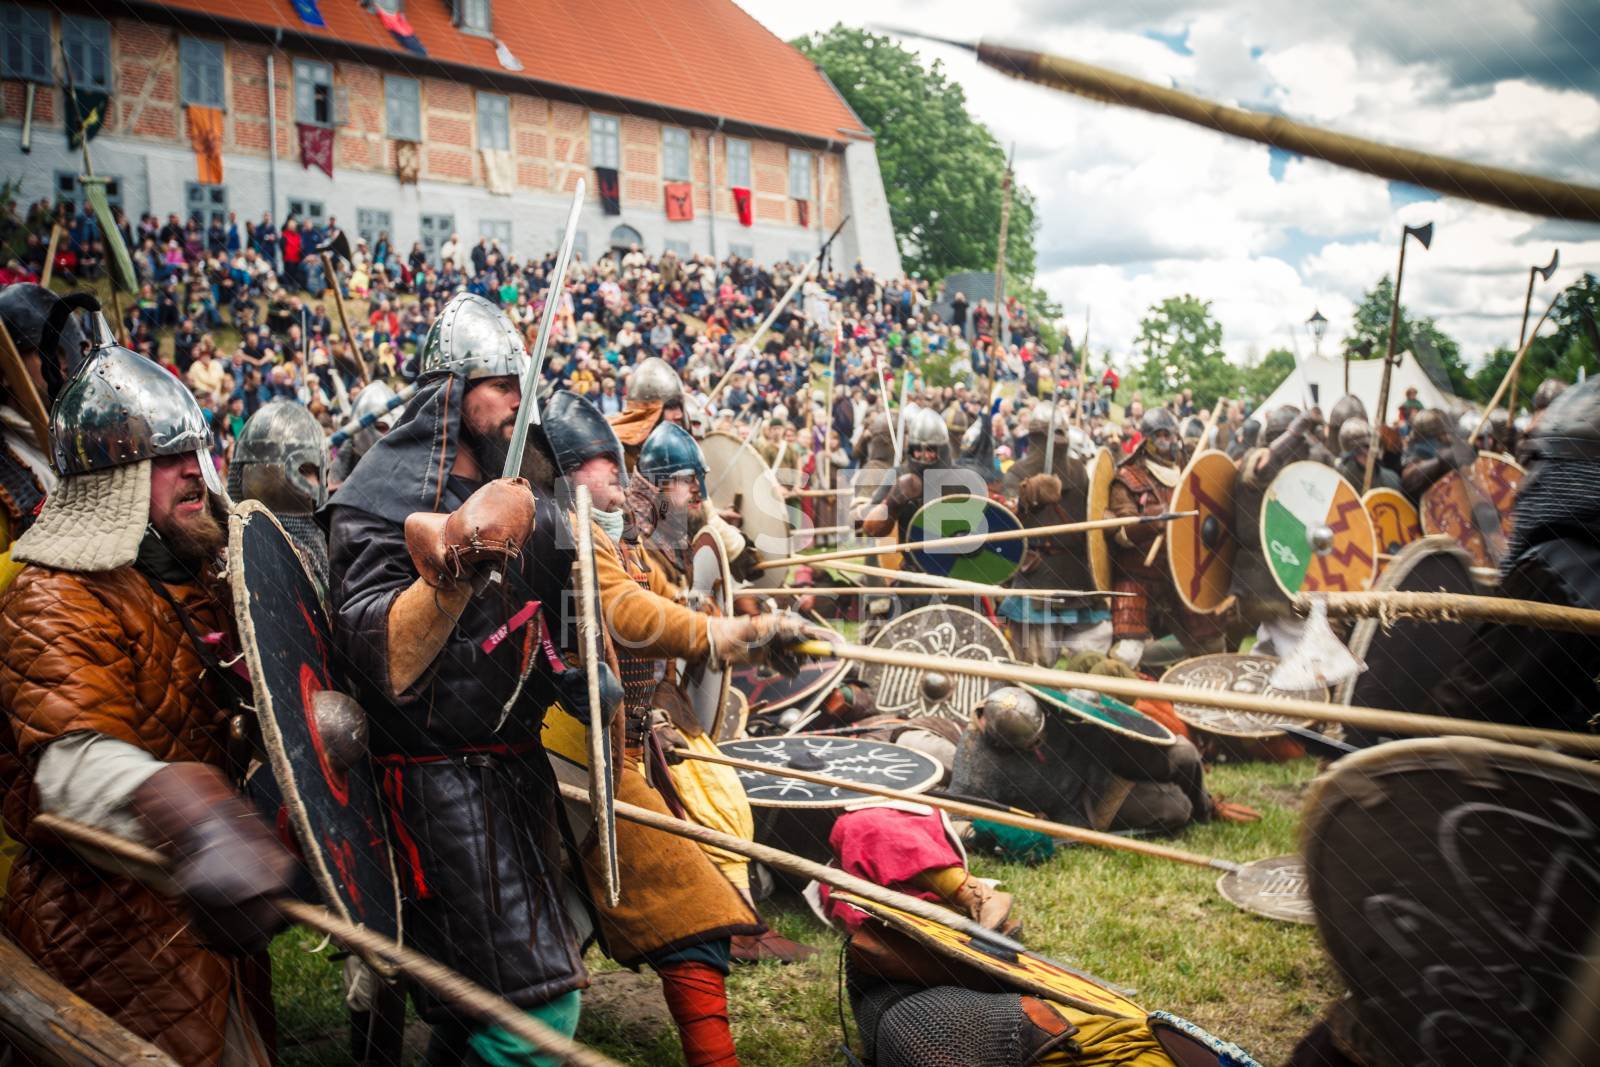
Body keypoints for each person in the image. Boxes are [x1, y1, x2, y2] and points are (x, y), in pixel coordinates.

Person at [0, 327, 295, 1064]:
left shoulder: (197, 578)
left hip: (204, 909)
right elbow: (67, 771)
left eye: (197, 452)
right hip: (104, 919)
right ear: (113, 476)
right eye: (169, 458)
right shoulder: (56, 596)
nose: (196, 473)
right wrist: (191, 816)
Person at [322, 291, 588, 1062]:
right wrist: (458, 562)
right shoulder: (382, 491)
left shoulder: (530, 485)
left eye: (521, 382)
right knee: (537, 1013)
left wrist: (582, 673)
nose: (515, 396)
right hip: (433, 789)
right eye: (497, 382)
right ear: (449, 390)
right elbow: (384, 659)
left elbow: (567, 604)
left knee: (478, 997)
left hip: (515, 776)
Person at [546, 391, 813, 1066]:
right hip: (560, 756)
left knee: (552, 942)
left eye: (620, 465)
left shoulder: (595, 534)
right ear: (562, 472)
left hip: (612, 747)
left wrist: (740, 629)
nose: (618, 480)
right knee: (687, 905)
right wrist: (728, 634)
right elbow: (628, 613)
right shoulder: (558, 533)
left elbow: (660, 603)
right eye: (601, 467)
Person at [1425, 377, 1600, 732]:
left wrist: (1397, 742)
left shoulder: (1561, 570)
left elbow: (1472, 705)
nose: (1525, 480)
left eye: (1537, 463)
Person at [1105, 408, 1226, 667]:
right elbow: (1121, 531)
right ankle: (1111, 698)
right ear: (1146, 440)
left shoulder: (1189, 470)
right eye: (1160, 435)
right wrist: (1156, 518)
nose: (1167, 441)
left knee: (1212, 646)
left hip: (1183, 572)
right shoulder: (1127, 477)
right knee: (1127, 652)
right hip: (1138, 574)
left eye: (1170, 435)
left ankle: (1208, 698)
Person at [0, 283, 99, 591]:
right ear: (5, 368)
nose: (65, 364)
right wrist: (46, 545)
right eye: (47, 351)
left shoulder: (87, 441)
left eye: (65, 349)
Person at [999, 402, 1109, 666]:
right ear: (1037, 437)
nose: (1057, 441)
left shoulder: (1079, 471)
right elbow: (1006, 518)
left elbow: (1092, 511)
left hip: (1077, 574)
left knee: (1096, 639)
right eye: (1052, 435)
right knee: (1037, 662)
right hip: (1038, 576)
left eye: (1061, 434)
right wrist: (1029, 494)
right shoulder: (1018, 472)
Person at [228, 398, 331, 585]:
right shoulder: (246, 561)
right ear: (257, 472)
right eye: (304, 470)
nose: (316, 484)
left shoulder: (317, 542)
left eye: (320, 473)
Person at [1335, 418, 1400, 493]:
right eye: (1365, 447)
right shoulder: (1340, 477)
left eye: (1368, 447)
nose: (1368, 452)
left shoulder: (1391, 480)